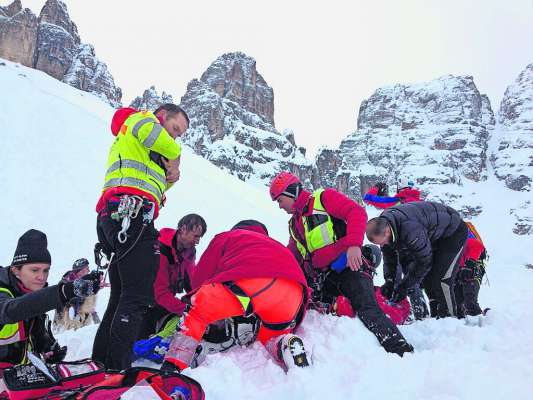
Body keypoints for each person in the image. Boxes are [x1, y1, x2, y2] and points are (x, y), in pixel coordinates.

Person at [269, 172, 413, 356]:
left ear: (290, 193)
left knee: (367, 308)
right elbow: (292, 255)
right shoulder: (294, 225)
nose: (280, 206)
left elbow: (356, 212)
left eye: (280, 200)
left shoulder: (322, 199)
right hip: (325, 278)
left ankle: (401, 349)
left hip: (350, 266)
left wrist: (354, 244)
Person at [92, 103, 189, 370]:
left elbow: (155, 180)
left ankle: (101, 362)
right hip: (131, 214)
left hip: (121, 215)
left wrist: (171, 176)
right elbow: (168, 148)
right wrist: (176, 157)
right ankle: (116, 368)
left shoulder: (141, 142)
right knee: (137, 295)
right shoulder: (142, 121)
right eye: (174, 128)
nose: (175, 137)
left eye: (179, 135)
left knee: (122, 293)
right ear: (162, 117)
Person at [162, 220, 310, 372]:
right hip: (293, 296)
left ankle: (173, 366)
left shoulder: (229, 236)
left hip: (253, 287)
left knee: (197, 310)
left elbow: (200, 278)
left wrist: (196, 298)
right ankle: (284, 344)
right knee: (269, 338)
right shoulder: (276, 245)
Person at [0, 230, 101, 369]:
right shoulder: (3, 290)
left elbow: (37, 333)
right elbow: (11, 311)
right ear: (15, 270)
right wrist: (65, 291)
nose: (42, 277)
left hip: (18, 380)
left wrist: (49, 348)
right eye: (34, 270)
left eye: (45, 270)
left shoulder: (32, 293)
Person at [366, 201, 468, 318]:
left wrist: (405, 286)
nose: (383, 245)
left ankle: (451, 319)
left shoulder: (409, 229)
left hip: (453, 232)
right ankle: (437, 317)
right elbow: (390, 259)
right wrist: (390, 282)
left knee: (441, 279)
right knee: (428, 278)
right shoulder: (385, 228)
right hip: (433, 236)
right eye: (380, 244)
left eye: (383, 242)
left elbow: (424, 262)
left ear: (387, 231)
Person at [139, 214, 207, 339]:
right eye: (196, 236)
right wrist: (187, 310)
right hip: (145, 306)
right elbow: (160, 293)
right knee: (139, 345)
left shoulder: (189, 252)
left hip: (164, 304)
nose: (197, 241)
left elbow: (192, 282)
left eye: (200, 237)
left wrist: (203, 302)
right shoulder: (160, 250)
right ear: (183, 229)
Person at [53, 258, 100, 331]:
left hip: (82, 317)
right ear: (81, 271)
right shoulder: (67, 282)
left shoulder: (85, 282)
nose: (89, 271)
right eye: (87, 269)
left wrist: (94, 316)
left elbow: (89, 299)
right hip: (66, 317)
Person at [455, 225, 487, 319]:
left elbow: (478, 246)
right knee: (458, 301)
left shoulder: (459, 237)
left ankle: (480, 320)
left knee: (469, 298)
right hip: (461, 270)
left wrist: (469, 264)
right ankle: (466, 324)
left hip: (473, 268)